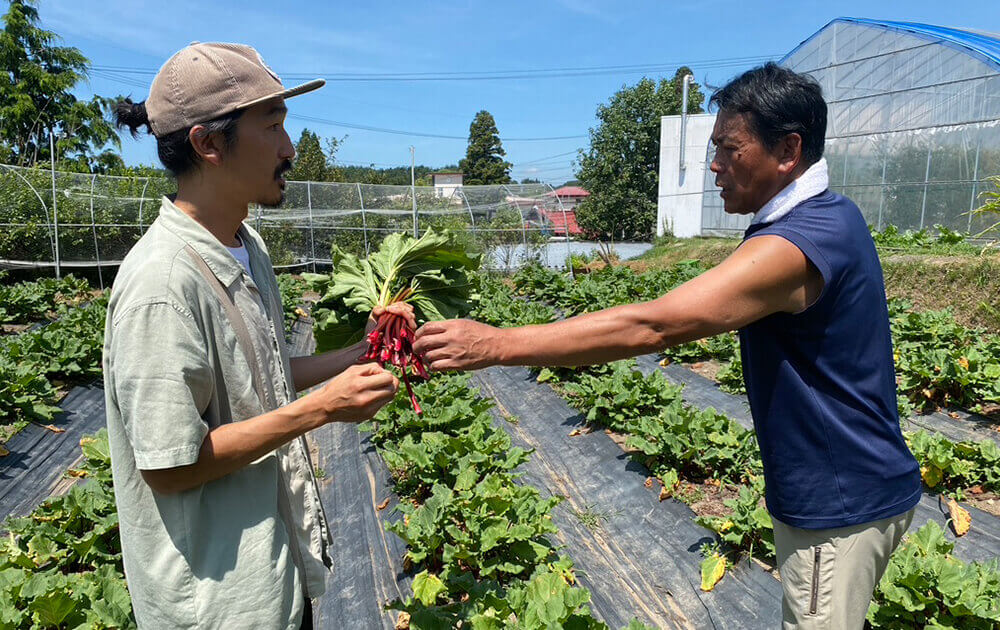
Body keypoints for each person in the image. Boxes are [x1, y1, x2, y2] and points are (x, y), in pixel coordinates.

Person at [413, 63, 921, 630]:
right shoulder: (835, 216)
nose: (715, 164)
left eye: (730, 148)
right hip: (861, 483)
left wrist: (496, 343)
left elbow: (652, 327)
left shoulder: (795, 244)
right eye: (714, 148)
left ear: (788, 150)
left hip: (838, 505)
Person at [105, 42, 409, 629]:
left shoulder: (248, 246)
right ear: (208, 143)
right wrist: (320, 411)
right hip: (217, 602)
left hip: (277, 574)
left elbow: (258, 375)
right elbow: (170, 466)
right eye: (272, 126)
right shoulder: (163, 284)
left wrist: (361, 352)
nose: (289, 149)